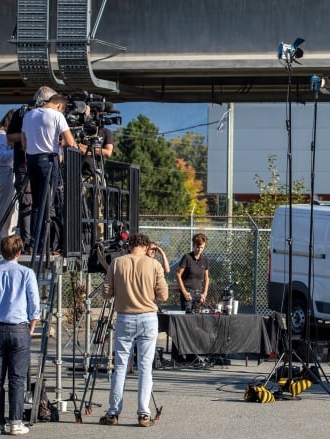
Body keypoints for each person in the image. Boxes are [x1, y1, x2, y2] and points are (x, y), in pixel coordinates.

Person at [99, 232, 168, 428]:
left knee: (120, 366)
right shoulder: (154, 265)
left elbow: (106, 293)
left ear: (130, 246)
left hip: (125, 317)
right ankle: (143, 413)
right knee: (145, 367)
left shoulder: (118, 263)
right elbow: (163, 295)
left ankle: (113, 412)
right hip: (148, 317)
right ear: (146, 247)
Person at [0, 235, 40, 436]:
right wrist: (32, 325)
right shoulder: (26, 273)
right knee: (17, 378)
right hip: (19, 327)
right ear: (19, 253)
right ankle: (15, 421)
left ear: (0, 252)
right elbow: (35, 305)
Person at [22, 87, 87, 254]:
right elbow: (70, 142)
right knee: (48, 203)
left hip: (31, 159)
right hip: (48, 160)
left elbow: (23, 140)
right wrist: (62, 145)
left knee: (36, 204)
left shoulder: (29, 114)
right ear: (59, 106)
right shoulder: (57, 115)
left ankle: (34, 243)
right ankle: (46, 244)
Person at [0, 109, 19, 253]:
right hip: (4, 171)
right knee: (3, 209)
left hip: (8, 172)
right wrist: (18, 151)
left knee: (11, 209)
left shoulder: (3, 135)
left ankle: (7, 241)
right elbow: (2, 155)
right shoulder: (1, 135)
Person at [7, 104, 34, 253]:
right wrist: (25, 135)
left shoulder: (49, 115)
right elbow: (9, 137)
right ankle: (26, 242)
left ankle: (43, 241)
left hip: (41, 164)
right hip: (23, 165)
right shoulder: (22, 113)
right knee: (25, 203)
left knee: (44, 205)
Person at [81, 125, 114, 241]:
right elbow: (76, 147)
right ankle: (80, 237)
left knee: (99, 208)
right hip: (80, 173)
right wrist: (95, 151)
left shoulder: (105, 132)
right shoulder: (81, 129)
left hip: (98, 173)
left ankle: (99, 239)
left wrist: (88, 150)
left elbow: (108, 152)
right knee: (77, 205)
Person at [176, 233, 210, 312]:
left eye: (202, 247)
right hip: (188, 293)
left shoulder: (205, 259)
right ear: (194, 245)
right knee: (187, 318)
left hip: (199, 294)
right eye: (198, 247)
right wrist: (184, 292)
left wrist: (204, 293)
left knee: (198, 318)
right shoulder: (187, 257)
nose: (200, 249)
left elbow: (206, 278)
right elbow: (178, 274)